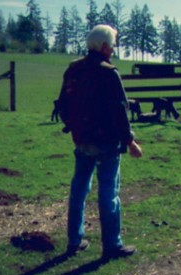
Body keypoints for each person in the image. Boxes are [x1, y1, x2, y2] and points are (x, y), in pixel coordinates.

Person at [59, 24, 143, 259]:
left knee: (79, 189)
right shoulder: (108, 72)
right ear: (104, 47)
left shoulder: (73, 69)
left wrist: (74, 127)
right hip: (106, 142)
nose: (114, 49)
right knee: (108, 193)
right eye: (113, 45)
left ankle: (74, 240)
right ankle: (112, 245)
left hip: (81, 140)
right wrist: (130, 141)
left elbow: (62, 104)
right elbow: (119, 111)